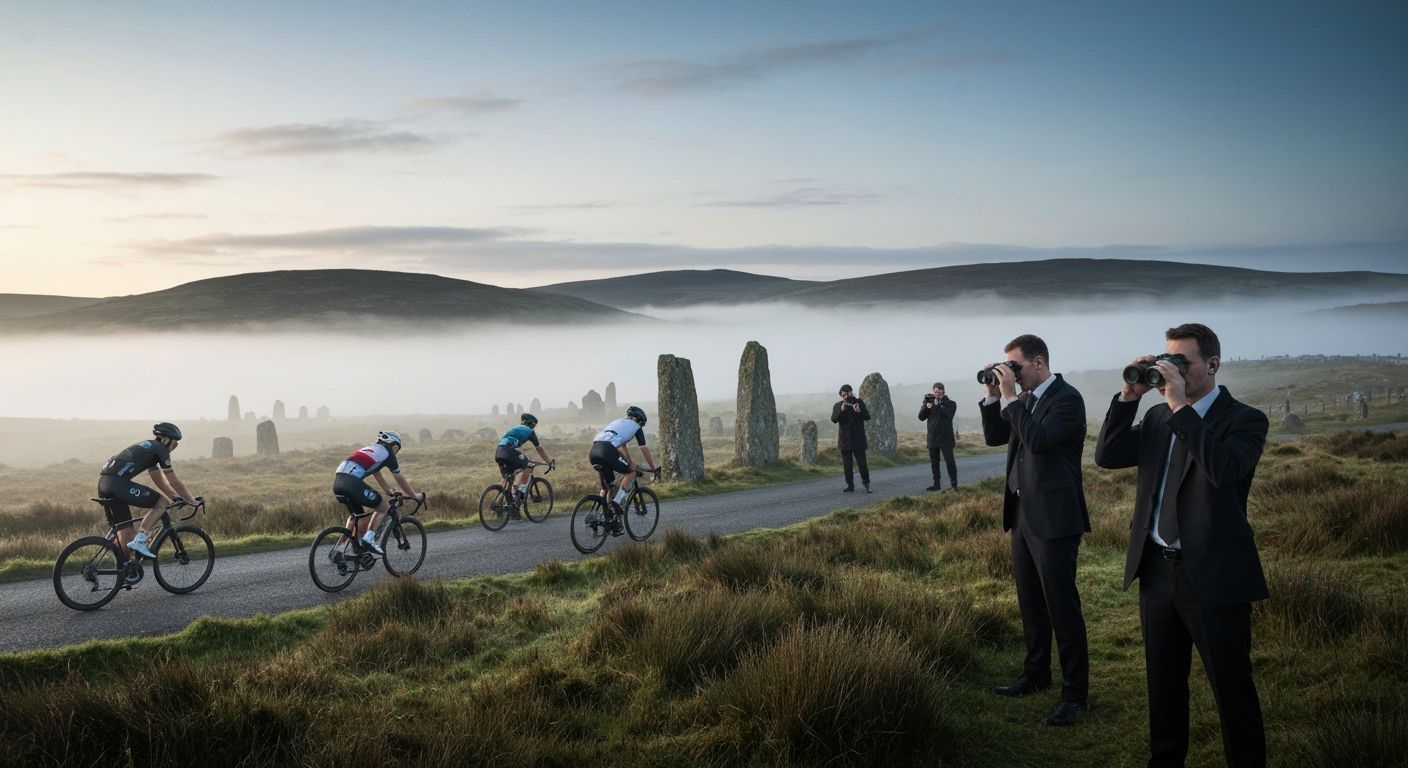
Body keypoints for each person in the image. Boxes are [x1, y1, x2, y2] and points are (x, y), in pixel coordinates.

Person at [1094, 323, 1268, 767]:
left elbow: (1224, 471)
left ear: (1212, 364)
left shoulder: (1244, 419)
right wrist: (1128, 400)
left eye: (1182, 362)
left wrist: (1178, 406)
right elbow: (1108, 456)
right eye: (1166, 359)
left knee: (1232, 691)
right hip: (1156, 570)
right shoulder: (1156, 417)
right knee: (1164, 689)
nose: (1172, 369)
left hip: (1213, 574)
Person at [979, 334, 1090, 726]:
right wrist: (995, 394)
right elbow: (996, 436)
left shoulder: (1067, 399)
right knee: (1031, 602)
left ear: (1039, 363)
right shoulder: (1022, 398)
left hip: (1055, 517)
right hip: (1023, 513)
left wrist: (1011, 398)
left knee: (1062, 606)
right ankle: (1036, 674)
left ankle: (1075, 695)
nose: (1012, 373)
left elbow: (1039, 441)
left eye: (1016, 366)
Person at [98, 422, 202, 560]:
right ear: (167, 440)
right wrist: (192, 501)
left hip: (104, 485)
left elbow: (157, 477)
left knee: (126, 533)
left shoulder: (150, 448)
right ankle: (140, 539)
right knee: (161, 502)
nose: (175, 447)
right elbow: (173, 479)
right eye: (175, 443)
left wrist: (174, 496)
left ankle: (124, 572)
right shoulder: (161, 449)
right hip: (117, 484)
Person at [332, 431, 424, 556]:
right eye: (397, 449)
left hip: (338, 482)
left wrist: (387, 490)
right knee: (383, 506)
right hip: (352, 483)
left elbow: (377, 473)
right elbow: (399, 478)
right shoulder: (388, 453)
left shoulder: (371, 449)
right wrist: (415, 496)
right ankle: (369, 540)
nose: (396, 452)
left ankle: (339, 550)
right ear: (395, 446)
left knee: (357, 517)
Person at [588, 406, 659, 535]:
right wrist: (652, 468)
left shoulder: (619, 422)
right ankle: (616, 502)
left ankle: (598, 515)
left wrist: (630, 462)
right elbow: (644, 448)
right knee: (631, 473)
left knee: (608, 486)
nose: (641, 426)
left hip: (594, 450)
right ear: (639, 421)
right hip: (607, 450)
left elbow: (622, 447)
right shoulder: (636, 426)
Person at [495, 412, 554, 520]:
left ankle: (498, 504)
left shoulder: (516, 428)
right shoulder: (530, 431)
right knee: (528, 466)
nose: (534, 428)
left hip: (499, 452)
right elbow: (539, 448)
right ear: (531, 424)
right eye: (534, 425)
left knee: (508, 479)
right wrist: (549, 461)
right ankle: (519, 494)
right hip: (508, 452)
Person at [918, 381, 958, 491]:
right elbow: (921, 417)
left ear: (943, 391)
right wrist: (927, 406)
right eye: (935, 391)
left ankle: (954, 485)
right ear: (933, 392)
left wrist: (937, 404)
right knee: (934, 464)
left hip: (946, 438)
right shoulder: (929, 403)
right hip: (933, 438)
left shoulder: (951, 403)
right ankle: (936, 485)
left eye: (939, 391)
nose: (937, 392)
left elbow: (948, 415)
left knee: (950, 462)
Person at [830, 384, 871, 492]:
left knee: (862, 464)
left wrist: (859, 411)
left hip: (858, 440)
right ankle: (850, 485)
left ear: (851, 392)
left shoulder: (859, 402)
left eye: (848, 392)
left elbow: (867, 417)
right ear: (841, 395)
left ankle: (866, 484)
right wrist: (841, 410)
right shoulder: (837, 405)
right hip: (845, 441)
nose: (846, 395)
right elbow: (834, 419)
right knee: (847, 466)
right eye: (843, 394)